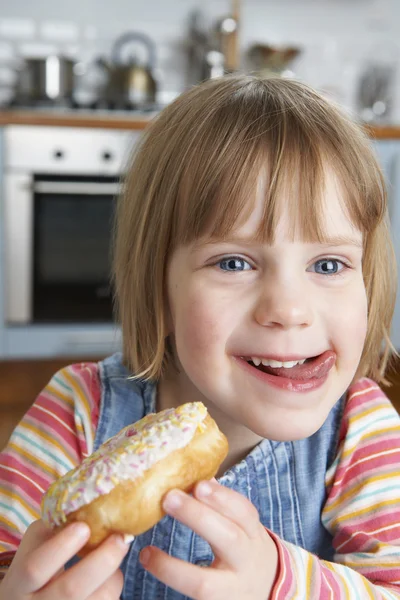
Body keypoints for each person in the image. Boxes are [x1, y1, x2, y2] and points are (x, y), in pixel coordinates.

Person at [0, 74, 399, 600]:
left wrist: (280, 584)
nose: (290, 310)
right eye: (233, 262)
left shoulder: (360, 431)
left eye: (328, 263)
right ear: (158, 288)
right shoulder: (79, 410)